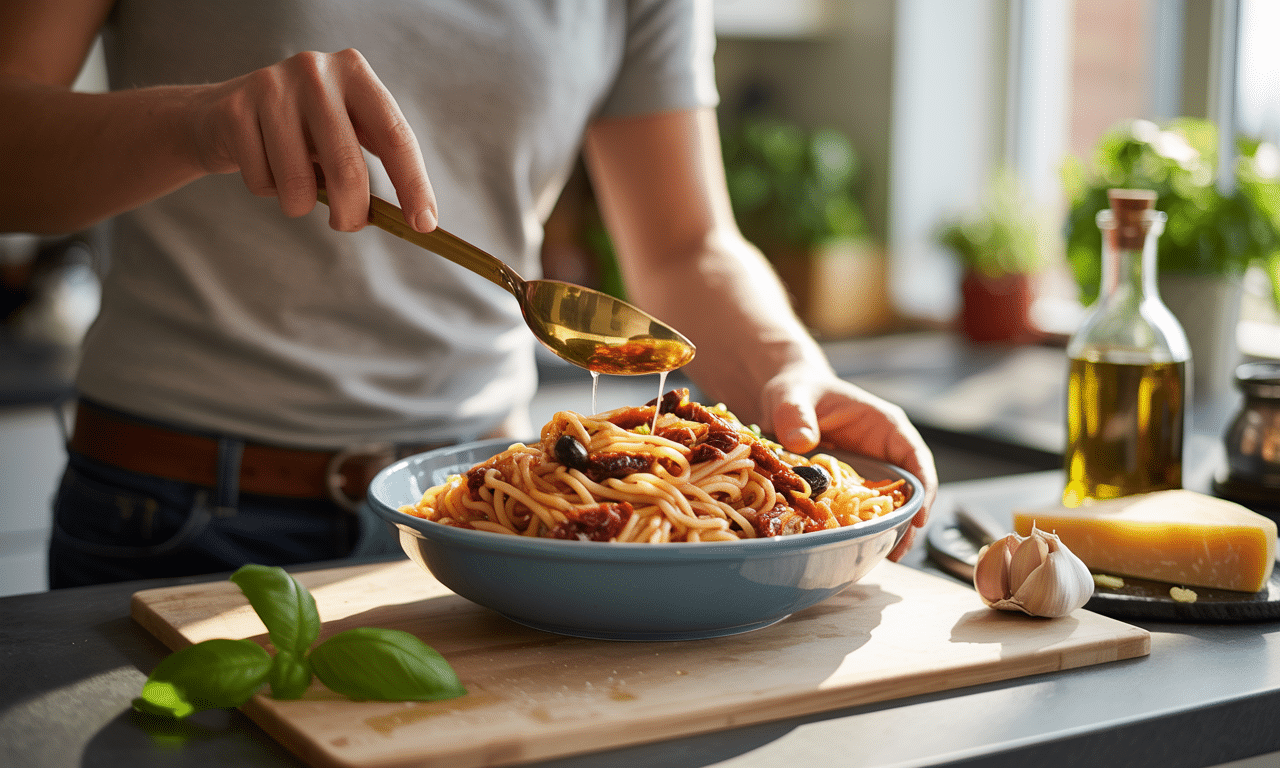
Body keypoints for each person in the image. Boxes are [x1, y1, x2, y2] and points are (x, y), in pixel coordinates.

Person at [0, 0, 936, 588]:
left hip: (499, 532)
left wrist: (789, 371)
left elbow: (687, 244)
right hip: (177, 514)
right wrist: (196, 122)